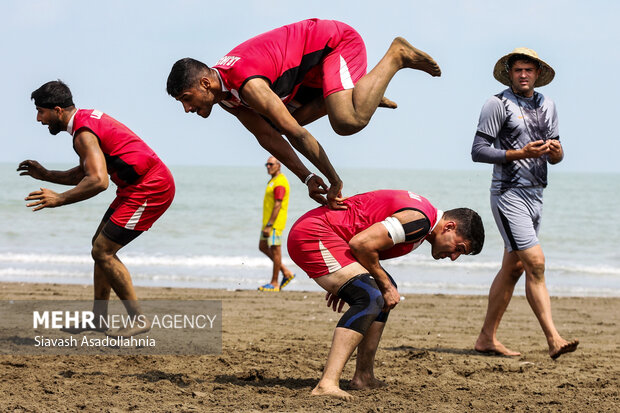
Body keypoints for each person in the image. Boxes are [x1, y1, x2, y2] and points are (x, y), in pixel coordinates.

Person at [166, 18, 441, 209]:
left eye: (187, 99)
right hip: (305, 75)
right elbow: (268, 137)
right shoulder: (225, 96)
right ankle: (356, 94)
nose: (187, 109)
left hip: (335, 44)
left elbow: (296, 133)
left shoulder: (248, 85)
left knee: (348, 122)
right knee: (275, 124)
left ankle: (397, 55)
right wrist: (307, 178)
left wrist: (334, 179)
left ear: (205, 83)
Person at [286, 189, 485, 400]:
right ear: (450, 227)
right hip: (313, 234)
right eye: (459, 248)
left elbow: (361, 238)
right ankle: (327, 383)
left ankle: (363, 376)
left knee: (380, 288)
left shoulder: (423, 221)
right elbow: (361, 244)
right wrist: (378, 285)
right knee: (372, 295)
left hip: (333, 238)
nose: (454, 257)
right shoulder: (420, 221)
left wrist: (349, 277)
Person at [19, 80, 176, 337]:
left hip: (151, 187)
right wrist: (46, 174)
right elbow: (85, 173)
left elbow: (99, 181)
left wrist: (59, 199)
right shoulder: (85, 122)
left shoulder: (82, 133)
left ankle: (138, 319)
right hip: (135, 187)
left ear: (57, 110)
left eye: (41, 112)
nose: (39, 119)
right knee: (99, 246)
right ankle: (98, 319)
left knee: (103, 250)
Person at [471, 48, 578, 359]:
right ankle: (554, 339)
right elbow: (478, 150)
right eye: (518, 70)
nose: (523, 75)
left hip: (537, 194)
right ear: (510, 73)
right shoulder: (497, 104)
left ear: (537, 74)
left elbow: (556, 154)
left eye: (528, 70)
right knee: (536, 263)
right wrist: (519, 154)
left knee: (514, 268)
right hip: (508, 194)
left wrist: (556, 152)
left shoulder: (549, 105)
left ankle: (486, 338)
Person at [258, 156, 295, 292]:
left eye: (271, 164)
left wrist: (270, 224)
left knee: (275, 250)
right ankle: (286, 272)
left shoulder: (280, 182)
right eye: (266, 164)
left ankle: (274, 283)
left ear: (279, 165)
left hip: (274, 224)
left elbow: (278, 204)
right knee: (262, 246)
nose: (268, 166)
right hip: (267, 223)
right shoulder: (273, 181)